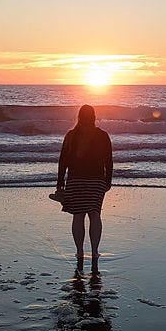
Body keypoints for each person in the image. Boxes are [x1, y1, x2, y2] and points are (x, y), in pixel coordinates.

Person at [55, 104, 113, 272]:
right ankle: (94, 252)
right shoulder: (102, 135)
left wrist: (60, 182)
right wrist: (108, 181)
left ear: (79, 117)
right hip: (96, 180)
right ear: (94, 117)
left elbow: (63, 160)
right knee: (95, 214)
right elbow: (108, 160)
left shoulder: (71, 135)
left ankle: (79, 251)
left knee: (78, 215)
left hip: (76, 180)